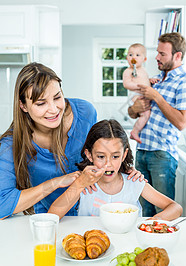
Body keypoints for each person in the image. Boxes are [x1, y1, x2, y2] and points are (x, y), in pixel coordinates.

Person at [0, 62, 143, 219]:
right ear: (23, 106)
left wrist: (121, 169)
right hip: (52, 218)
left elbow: (99, 154)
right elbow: (2, 205)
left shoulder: (85, 113)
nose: (53, 109)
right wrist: (56, 182)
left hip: (90, 215)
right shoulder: (11, 143)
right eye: (41, 103)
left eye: (57, 97)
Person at [49, 119, 183, 220]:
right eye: (101, 156)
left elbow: (176, 208)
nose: (108, 164)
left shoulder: (134, 182)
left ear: (124, 155)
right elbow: (52, 216)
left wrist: (151, 222)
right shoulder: (83, 183)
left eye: (115, 156)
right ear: (89, 155)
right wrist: (79, 185)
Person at [128, 32, 186, 217]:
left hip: (162, 156)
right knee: (143, 211)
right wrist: (135, 107)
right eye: (157, 53)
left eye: (162, 54)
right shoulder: (156, 80)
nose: (157, 58)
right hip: (142, 152)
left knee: (164, 212)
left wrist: (157, 97)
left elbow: (182, 122)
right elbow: (132, 113)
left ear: (177, 56)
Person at [123, 43, 151, 143]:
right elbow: (126, 84)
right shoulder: (128, 71)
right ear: (127, 58)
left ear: (144, 59)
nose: (133, 57)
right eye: (130, 55)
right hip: (135, 95)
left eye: (137, 55)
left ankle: (136, 131)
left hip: (143, 95)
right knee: (145, 114)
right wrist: (139, 86)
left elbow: (146, 80)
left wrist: (151, 80)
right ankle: (135, 131)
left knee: (147, 114)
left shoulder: (143, 70)